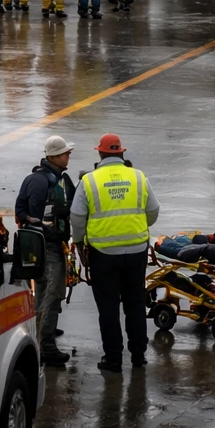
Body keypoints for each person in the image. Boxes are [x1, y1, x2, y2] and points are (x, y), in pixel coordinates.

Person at [70, 133, 160, 373]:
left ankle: (113, 359)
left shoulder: (89, 181)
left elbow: (77, 218)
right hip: (136, 251)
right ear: (122, 153)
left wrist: (79, 244)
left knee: (108, 307)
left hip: (103, 254)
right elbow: (153, 211)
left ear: (100, 154)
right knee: (135, 303)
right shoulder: (138, 177)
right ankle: (139, 355)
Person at [15, 135, 77, 367]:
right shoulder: (47, 182)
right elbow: (39, 214)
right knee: (52, 294)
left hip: (38, 248)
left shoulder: (38, 178)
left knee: (42, 291)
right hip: (49, 247)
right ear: (54, 156)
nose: (68, 156)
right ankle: (45, 345)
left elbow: (21, 210)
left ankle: (41, 331)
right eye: (65, 153)